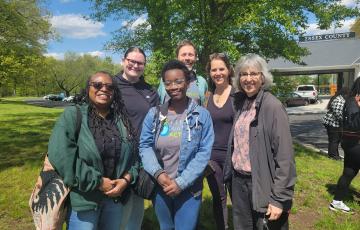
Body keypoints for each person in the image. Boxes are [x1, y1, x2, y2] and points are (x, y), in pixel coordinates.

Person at [47, 71, 138, 230]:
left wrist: (126, 180)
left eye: (110, 87)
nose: (104, 89)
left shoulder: (121, 120)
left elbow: (135, 156)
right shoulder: (73, 115)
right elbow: (62, 156)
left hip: (115, 199)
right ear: (88, 88)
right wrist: (98, 182)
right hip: (85, 199)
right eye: (97, 85)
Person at [223, 54, 296, 230]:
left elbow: (285, 158)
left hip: (262, 183)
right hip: (239, 182)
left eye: (254, 73)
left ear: (262, 77)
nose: (248, 79)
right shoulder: (241, 103)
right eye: (243, 74)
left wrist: (279, 199)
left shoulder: (273, 106)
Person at [139, 60, 214, 230]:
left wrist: (181, 182)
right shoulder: (155, 114)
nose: (174, 86)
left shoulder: (202, 116)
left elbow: (204, 152)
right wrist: (158, 174)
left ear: (187, 83)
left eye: (179, 81)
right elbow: (145, 145)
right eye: (168, 82)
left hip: (189, 188)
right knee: (166, 227)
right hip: (161, 187)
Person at [114, 47, 159, 229]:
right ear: (123, 60)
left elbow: (159, 122)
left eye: (140, 63)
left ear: (144, 66)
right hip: (117, 154)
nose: (135, 65)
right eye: (131, 61)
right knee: (117, 205)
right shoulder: (111, 85)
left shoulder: (150, 91)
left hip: (142, 156)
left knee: (136, 205)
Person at [205, 53, 235, 230]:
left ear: (229, 70)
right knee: (219, 198)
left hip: (234, 157)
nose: (218, 73)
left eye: (221, 69)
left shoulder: (237, 95)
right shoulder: (207, 96)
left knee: (238, 200)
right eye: (213, 69)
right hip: (211, 158)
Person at [329, 78, 360, 213]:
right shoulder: (353, 102)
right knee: (349, 171)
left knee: (349, 171)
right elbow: (354, 124)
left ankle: (337, 202)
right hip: (355, 143)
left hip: (351, 143)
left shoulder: (352, 100)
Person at [158, 40, 208, 105]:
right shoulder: (164, 81)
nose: (187, 58)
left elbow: (205, 107)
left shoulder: (202, 82)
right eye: (183, 55)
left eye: (190, 55)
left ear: (195, 58)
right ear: (177, 58)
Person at [322, 87, 349, 160]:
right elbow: (338, 113)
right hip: (333, 123)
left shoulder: (339, 98)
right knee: (334, 139)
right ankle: (333, 155)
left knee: (335, 139)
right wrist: (346, 120)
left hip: (333, 123)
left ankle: (334, 154)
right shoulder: (339, 100)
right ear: (345, 94)